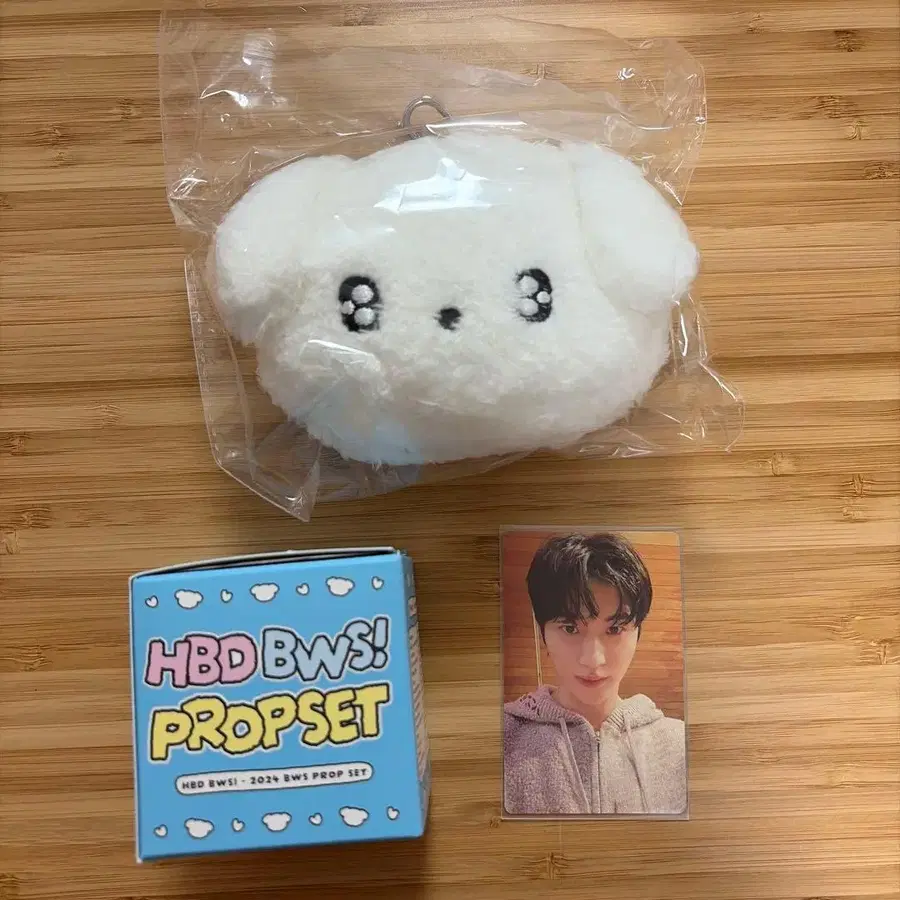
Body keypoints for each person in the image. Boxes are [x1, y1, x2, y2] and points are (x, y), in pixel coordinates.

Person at [503, 533, 686, 816]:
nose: (593, 660)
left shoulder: (680, 745)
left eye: (615, 629)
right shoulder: (503, 738)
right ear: (542, 633)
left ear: (638, 633)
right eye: (570, 628)